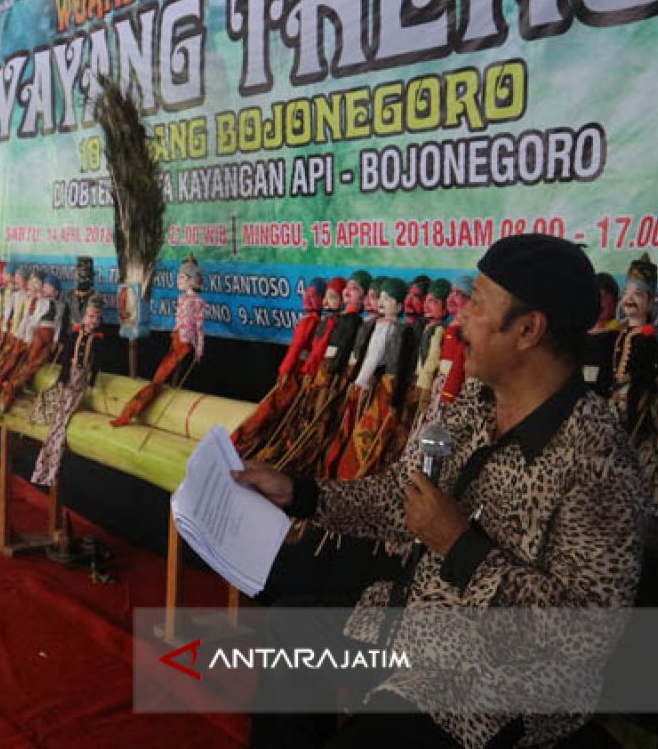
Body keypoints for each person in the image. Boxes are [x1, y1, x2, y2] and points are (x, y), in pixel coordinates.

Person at [237, 235, 647, 749]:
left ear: (528, 329)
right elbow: (400, 498)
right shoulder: (477, 404)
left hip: (493, 685)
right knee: (289, 633)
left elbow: (584, 635)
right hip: (415, 625)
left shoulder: (598, 459)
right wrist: (299, 494)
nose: (460, 320)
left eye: (476, 303)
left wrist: (461, 547)